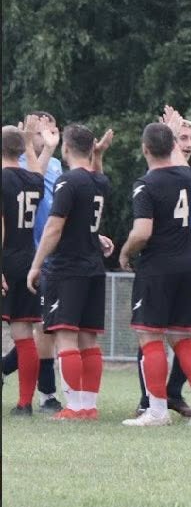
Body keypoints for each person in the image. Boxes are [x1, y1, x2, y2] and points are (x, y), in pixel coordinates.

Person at [119, 122, 191, 427]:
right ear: (173, 146)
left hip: (157, 269)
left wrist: (125, 251)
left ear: (144, 149)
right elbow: (180, 161)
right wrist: (170, 132)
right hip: (187, 266)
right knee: (181, 337)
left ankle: (157, 411)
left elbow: (142, 232)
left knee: (150, 337)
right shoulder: (186, 177)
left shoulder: (145, 184)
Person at [25, 122, 114, 420]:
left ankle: (73, 406)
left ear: (65, 148)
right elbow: (96, 179)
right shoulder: (100, 181)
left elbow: (54, 227)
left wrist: (36, 265)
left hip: (67, 268)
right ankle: (88, 405)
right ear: (91, 149)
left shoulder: (68, 182)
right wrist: (98, 155)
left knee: (65, 336)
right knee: (89, 339)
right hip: (94, 268)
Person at [3, 110, 66, 412]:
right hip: (28, 259)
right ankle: (24, 403)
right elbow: (37, 172)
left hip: (5, 259)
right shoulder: (34, 180)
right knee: (24, 335)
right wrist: (28, 142)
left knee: (26, 335)